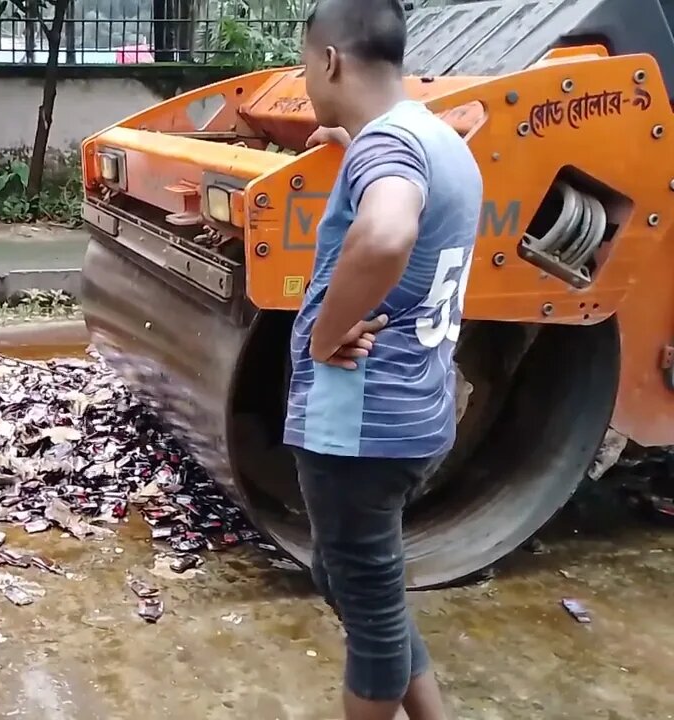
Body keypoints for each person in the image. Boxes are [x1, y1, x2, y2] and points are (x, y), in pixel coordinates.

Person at [284, 1, 481, 719]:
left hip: (360, 427)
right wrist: (343, 135)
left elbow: (387, 233)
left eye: (306, 66)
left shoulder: (386, 149)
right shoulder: (436, 135)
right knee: (357, 584)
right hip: (414, 413)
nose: (307, 82)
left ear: (331, 61)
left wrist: (325, 332)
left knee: (367, 610)